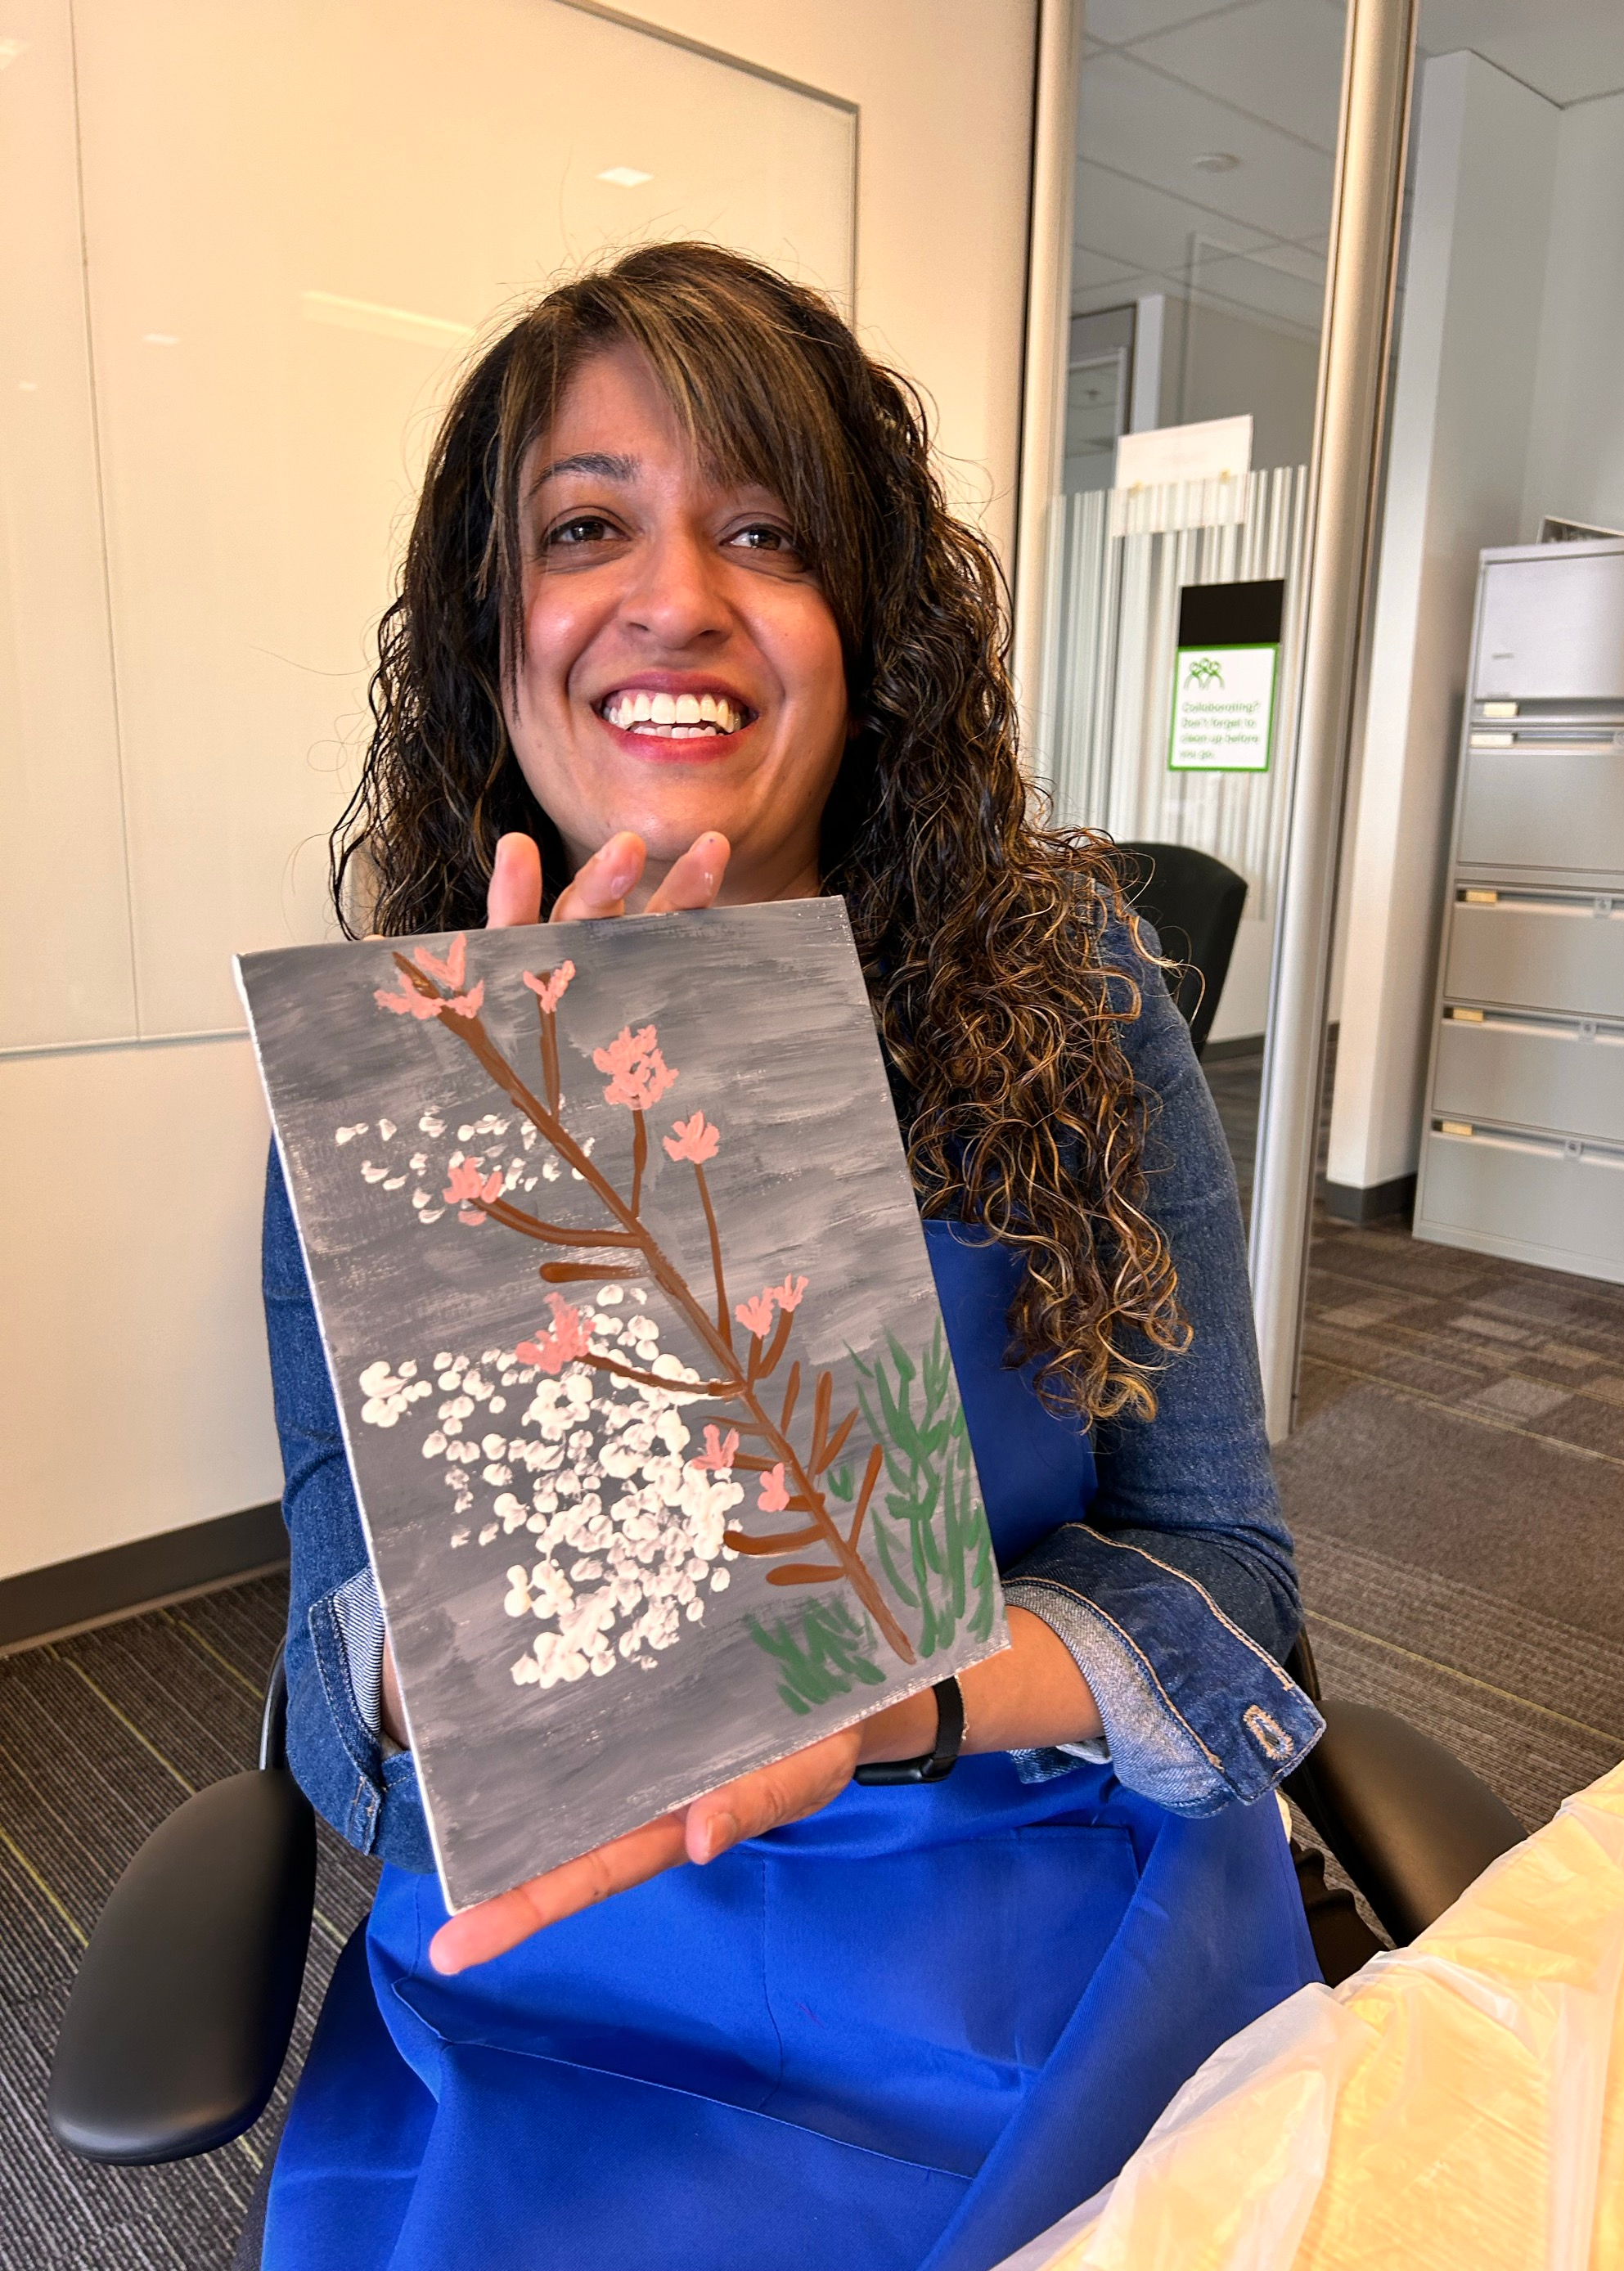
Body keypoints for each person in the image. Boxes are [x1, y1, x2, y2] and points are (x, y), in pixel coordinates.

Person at [256, 242, 1324, 2271]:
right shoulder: (398, 1073)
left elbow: (1235, 1580)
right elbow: (327, 1681)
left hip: (1029, 1905)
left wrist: (875, 1691)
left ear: (868, 629)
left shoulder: (1081, 996)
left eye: (765, 531)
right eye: (587, 528)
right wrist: (491, 1569)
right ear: (494, 628)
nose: (675, 596)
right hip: (569, 1951)